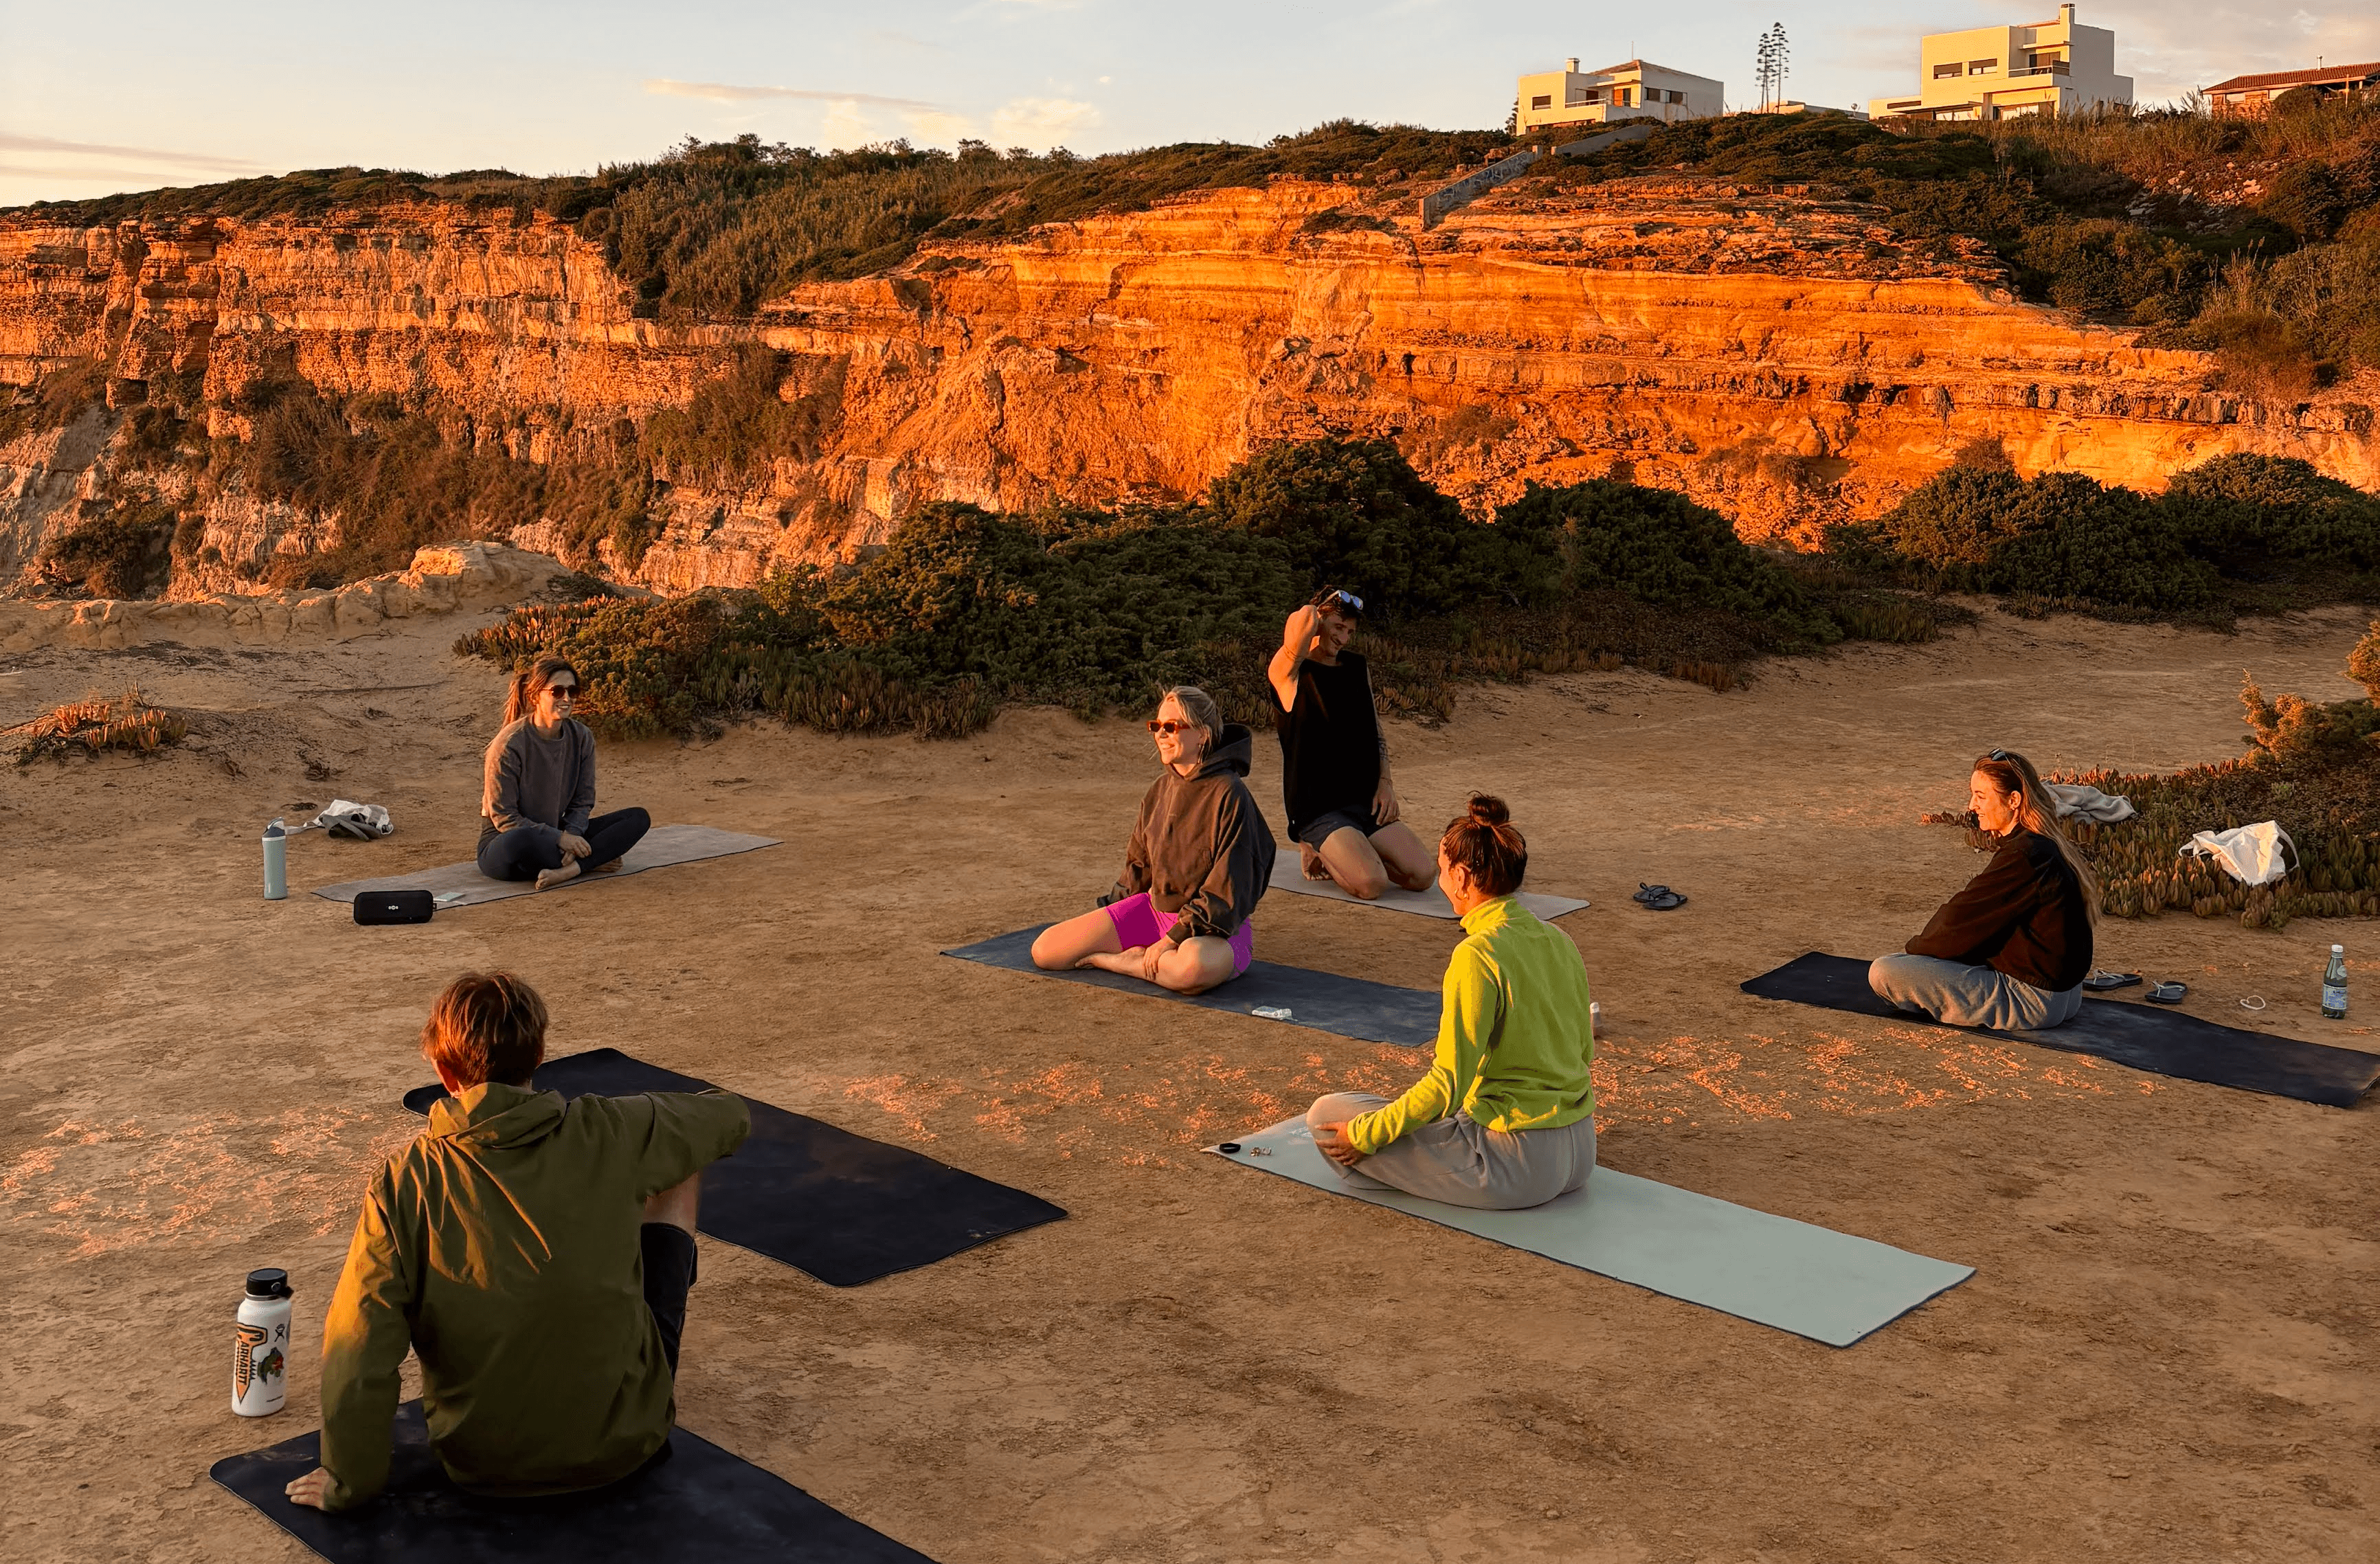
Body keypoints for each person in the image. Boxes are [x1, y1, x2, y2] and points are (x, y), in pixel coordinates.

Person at [283, 971, 750, 1512]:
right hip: (627, 1444)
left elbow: (359, 1347)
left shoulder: (405, 1178)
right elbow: (730, 1114)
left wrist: (349, 1480)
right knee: (676, 1161)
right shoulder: (612, 1128)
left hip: (481, 1463)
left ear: (443, 1070)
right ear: (540, 1053)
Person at [1307, 795, 1597, 1209]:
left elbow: (1447, 1086)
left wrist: (1365, 1136)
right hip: (1581, 1151)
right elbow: (1583, 1052)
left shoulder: (1478, 954)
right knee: (1416, 1115)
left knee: (1327, 1116)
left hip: (1515, 1165)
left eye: (1443, 871)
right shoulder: (1560, 940)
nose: (1440, 881)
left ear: (1462, 877)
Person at [1030, 685, 1277, 995]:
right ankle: (1149, 961)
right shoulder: (1159, 791)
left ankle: (1125, 963)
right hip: (1154, 912)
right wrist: (1111, 916)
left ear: (1202, 734)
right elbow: (1139, 867)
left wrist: (1172, 939)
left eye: (1171, 726)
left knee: (1192, 969)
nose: (1161, 733)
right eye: (1156, 726)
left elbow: (1229, 889)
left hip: (1214, 930)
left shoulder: (1230, 795)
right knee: (1047, 950)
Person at [1870, 748, 2096, 1030]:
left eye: (1981, 796)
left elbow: (1958, 921)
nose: (1971, 806)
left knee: (1885, 970)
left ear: (2014, 800)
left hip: (2031, 1000)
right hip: (2064, 995)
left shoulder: (2025, 855)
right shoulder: (2042, 844)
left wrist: (1917, 955)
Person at [1266, 587, 1434, 900]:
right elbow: (1299, 622)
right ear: (1319, 623)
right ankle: (1317, 848)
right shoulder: (1289, 673)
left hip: (1364, 800)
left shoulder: (1357, 667)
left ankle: (1356, 846)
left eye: (1350, 631)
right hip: (1319, 809)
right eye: (1338, 627)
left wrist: (1386, 783)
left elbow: (1375, 728)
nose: (1344, 638)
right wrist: (1319, 609)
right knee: (1372, 884)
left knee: (1422, 875)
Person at [478, 655, 649, 890]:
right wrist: (560, 839)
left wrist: (572, 834)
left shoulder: (582, 737)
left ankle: (569, 870)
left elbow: (583, 801)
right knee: (522, 841)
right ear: (535, 696)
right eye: (557, 691)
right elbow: (504, 817)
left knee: (637, 818)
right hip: (507, 842)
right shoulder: (509, 744)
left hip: (558, 835)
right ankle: (592, 861)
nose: (566, 698)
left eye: (572, 691)